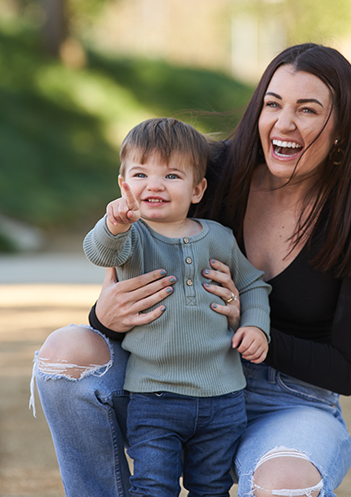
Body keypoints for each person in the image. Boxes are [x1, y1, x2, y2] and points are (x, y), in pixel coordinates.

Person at [34, 43, 351, 497]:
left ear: (341, 127)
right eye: (272, 104)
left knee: (285, 485)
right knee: (65, 352)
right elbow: (131, 242)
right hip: (168, 379)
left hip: (286, 402)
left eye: (308, 110)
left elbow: (348, 370)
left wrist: (247, 325)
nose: (284, 123)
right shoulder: (213, 173)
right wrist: (102, 317)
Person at [82, 117, 271, 496]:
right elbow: (98, 252)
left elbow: (252, 284)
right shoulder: (131, 238)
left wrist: (255, 325)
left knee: (212, 487)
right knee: (154, 486)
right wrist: (113, 225)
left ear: (197, 189)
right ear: (123, 185)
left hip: (223, 397)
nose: (153, 185)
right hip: (154, 398)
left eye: (171, 176)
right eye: (140, 174)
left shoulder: (219, 237)